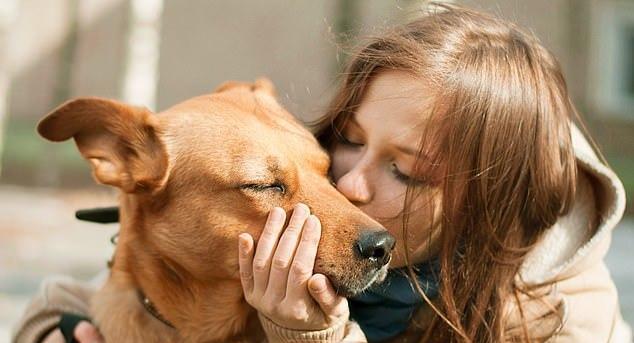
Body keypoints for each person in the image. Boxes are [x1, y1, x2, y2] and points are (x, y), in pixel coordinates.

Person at [12, 3, 632, 343]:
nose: (348, 190)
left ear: (488, 201)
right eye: (344, 142)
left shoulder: (565, 317)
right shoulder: (256, 266)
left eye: (410, 173)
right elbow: (105, 291)